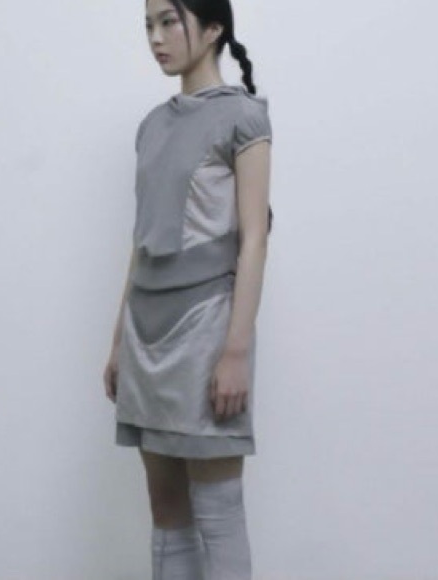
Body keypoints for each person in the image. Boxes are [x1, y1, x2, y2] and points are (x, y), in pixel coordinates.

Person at [103, 0, 273, 578]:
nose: (156, 37)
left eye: (169, 21)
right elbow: (141, 239)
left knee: (219, 513)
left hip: (205, 330)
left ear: (214, 28)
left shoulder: (243, 118)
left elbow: (254, 239)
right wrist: (118, 341)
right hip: (145, 332)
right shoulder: (151, 126)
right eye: (148, 25)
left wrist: (236, 350)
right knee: (166, 512)